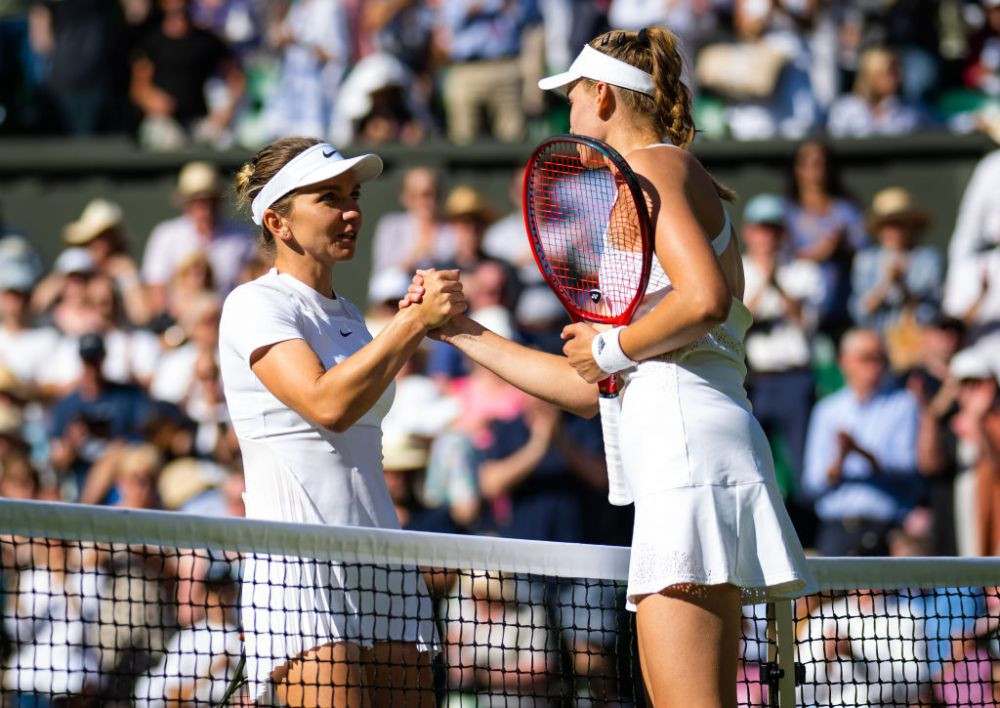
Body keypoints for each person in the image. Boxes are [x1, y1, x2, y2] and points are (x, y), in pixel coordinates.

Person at [404, 27, 813, 706]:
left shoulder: (656, 168)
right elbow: (581, 387)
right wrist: (459, 331)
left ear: (601, 96)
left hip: (686, 452)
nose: (564, 113)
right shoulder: (660, 177)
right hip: (687, 446)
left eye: (569, 96)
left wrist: (610, 348)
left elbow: (704, 298)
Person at [218, 136, 465, 706]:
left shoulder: (351, 317)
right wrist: (410, 327)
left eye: (352, 196)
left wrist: (409, 325)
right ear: (278, 222)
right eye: (329, 198)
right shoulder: (255, 304)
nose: (351, 210)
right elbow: (328, 405)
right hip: (299, 569)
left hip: (382, 562)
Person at [802, 329, 922, 557]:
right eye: (866, 358)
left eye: (880, 358)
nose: (875, 366)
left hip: (886, 533)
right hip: (837, 531)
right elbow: (812, 482)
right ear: (844, 362)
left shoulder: (904, 404)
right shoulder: (827, 410)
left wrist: (859, 451)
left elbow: (906, 467)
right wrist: (840, 459)